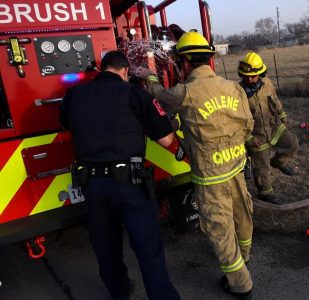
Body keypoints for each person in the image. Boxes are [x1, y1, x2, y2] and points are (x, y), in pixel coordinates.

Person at [135, 31, 254, 299]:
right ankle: (244, 256)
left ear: (185, 63)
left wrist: (149, 77)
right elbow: (248, 125)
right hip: (236, 166)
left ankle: (240, 282)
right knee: (242, 214)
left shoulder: (184, 93)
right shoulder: (233, 88)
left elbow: (159, 96)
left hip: (210, 176)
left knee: (218, 226)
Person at [60, 51, 181, 300]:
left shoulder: (75, 94)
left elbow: (66, 123)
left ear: (102, 69)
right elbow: (166, 139)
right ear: (125, 71)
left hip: (91, 185)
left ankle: (120, 290)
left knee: (105, 246)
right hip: (130, 184)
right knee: (148, 248)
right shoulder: (135, 94)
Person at [237, 52, 299, 204]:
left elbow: (275, 99)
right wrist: (249, 138)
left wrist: (282, 114)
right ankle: (266, 194)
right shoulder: (238, 93)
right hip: (256, 136)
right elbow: (237, 120)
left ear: (260, 73)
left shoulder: (267, 83)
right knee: (262, 166)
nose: (249, 79)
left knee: (292, 143)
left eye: (253, 76)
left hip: (273, 126)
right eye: (245, 76)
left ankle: (278, 163)